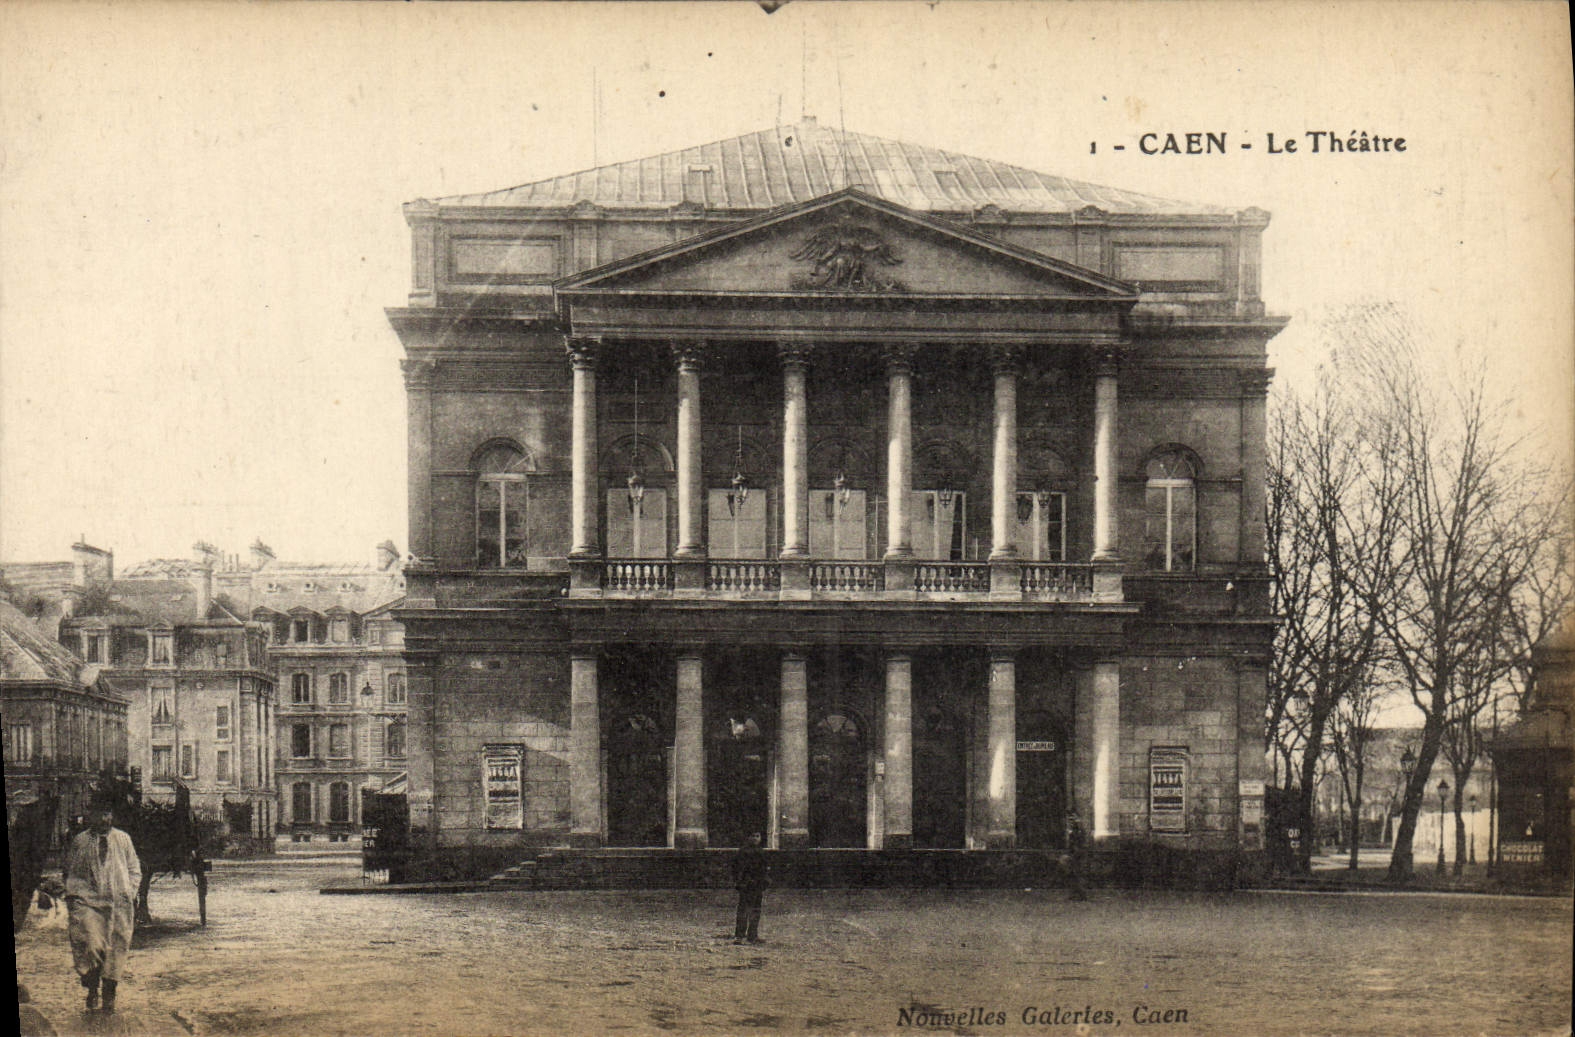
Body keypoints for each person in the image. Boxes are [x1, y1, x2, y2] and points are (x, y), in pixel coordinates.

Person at [64, 802, 141, 1012]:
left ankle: (109, 994)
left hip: (118, 903)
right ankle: (92, 988)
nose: (104, 819)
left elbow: (134, 869)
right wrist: (75, 897)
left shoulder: (123, 839)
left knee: (116, 948)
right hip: (89, 903)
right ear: (91, 816)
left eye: (107, 814)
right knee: (91, 944)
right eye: (99, 814)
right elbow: (71, 872)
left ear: (111, 815)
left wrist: (129, 892)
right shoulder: (81, 841)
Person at [731, 832, 768, 944]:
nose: (755, 838)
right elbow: (737, 868)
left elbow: (764, 868)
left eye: (758, 836)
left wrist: (764, 881)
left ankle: (752, 935)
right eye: (753, 836)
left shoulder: (761, 851)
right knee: (744, 910)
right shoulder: (743, 852)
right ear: (748, 837)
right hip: (746, 884)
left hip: (757, 884)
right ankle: (739, 936)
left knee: (756, 909)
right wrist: (739, 881)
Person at [1065, 810, 1089, 901]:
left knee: (1078, 873)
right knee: (1072, 874)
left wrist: (1076, 852)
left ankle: (1081, 894)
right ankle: (1074, 893)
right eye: (1069, 819)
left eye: (1072, 819)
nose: (1071, 821)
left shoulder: (1078, 830)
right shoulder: (1073, 830)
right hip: (1074, 854)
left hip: (1078, 854)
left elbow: (1080, 842)